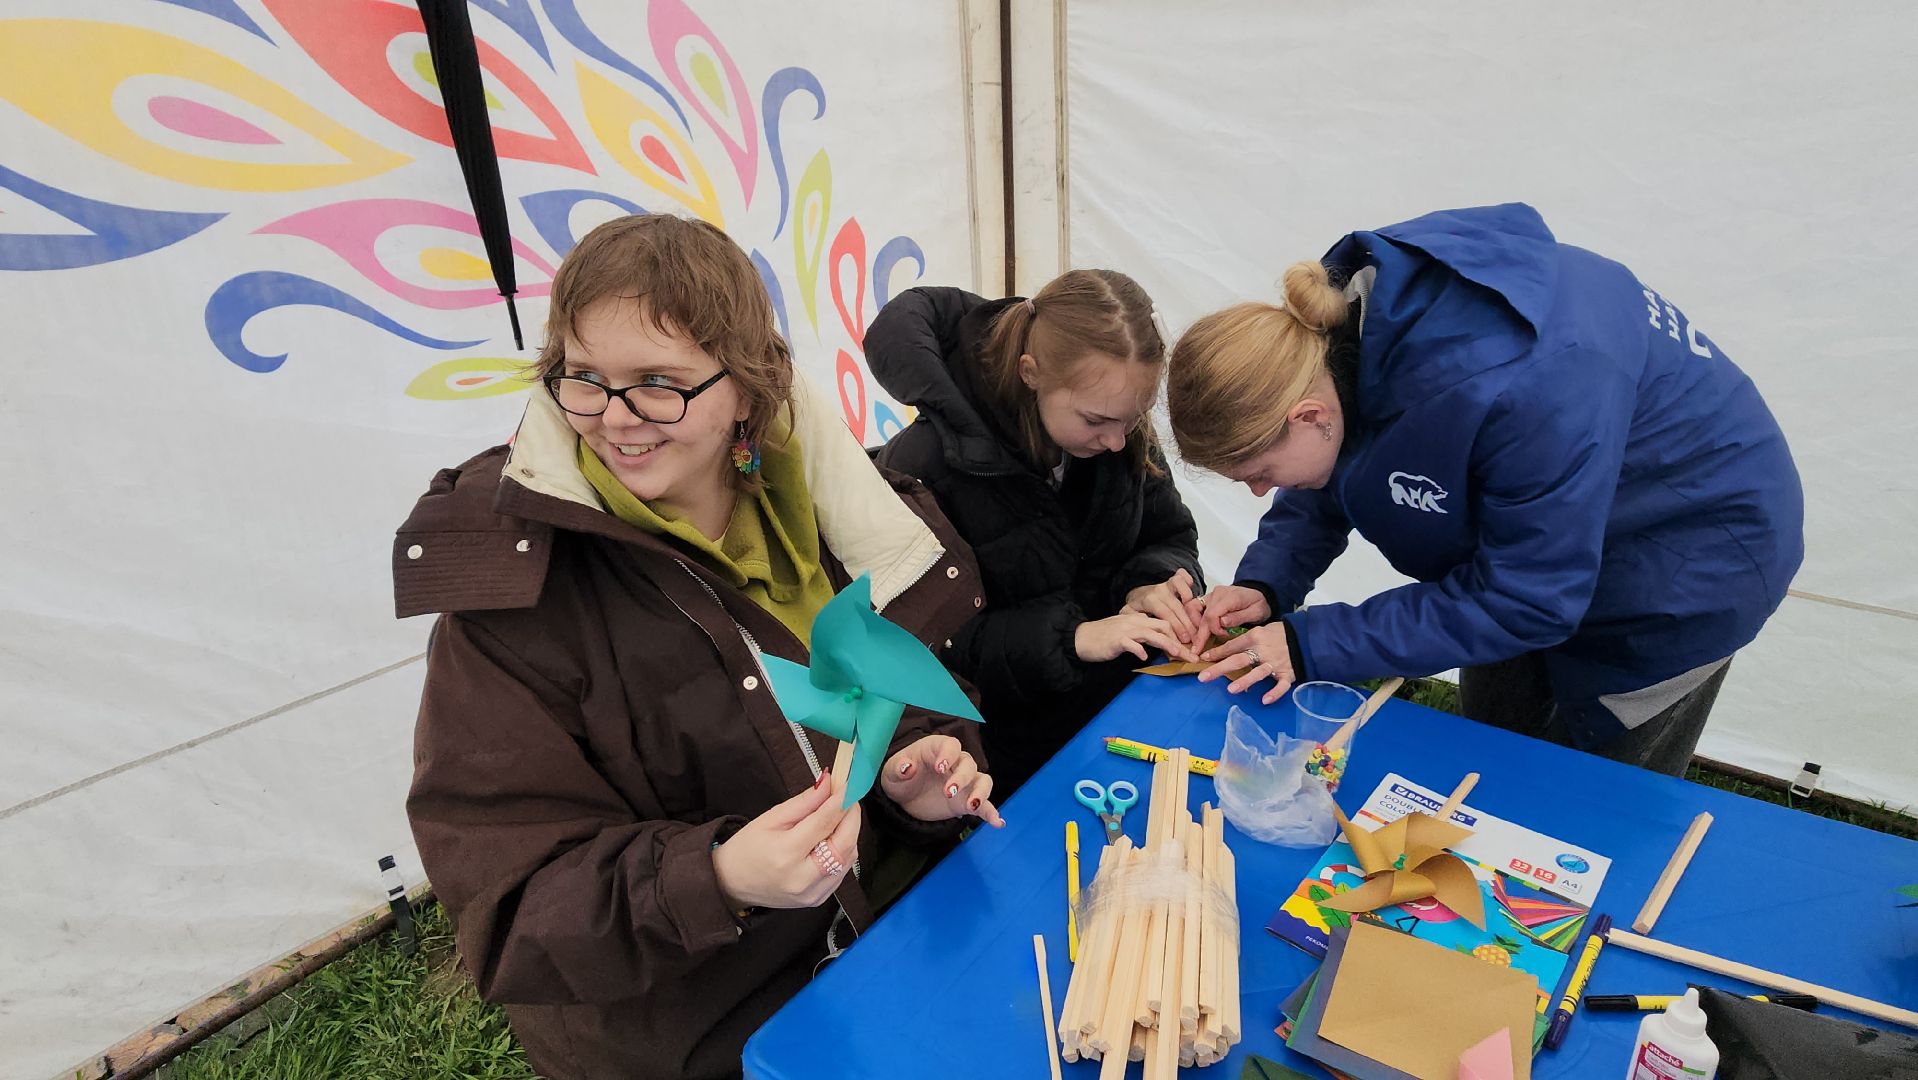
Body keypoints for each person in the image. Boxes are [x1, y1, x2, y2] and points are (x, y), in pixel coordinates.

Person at [394, 214, 1002, 1080]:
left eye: (657, 381)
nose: (615, 417)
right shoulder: (512, 605)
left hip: (894, 951)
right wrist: (716, 879)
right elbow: (513, 905)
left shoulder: (827, 512)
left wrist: (919, 763)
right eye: (583, 378)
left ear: (748, 388)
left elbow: (894, 690)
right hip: (706, 1034)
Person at [1166, 203, 1803, 775]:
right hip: (1532, 540)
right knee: (1493, 747)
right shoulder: (1336, 344)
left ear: (1307, 415)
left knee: (1593, 801)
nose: (1257, 494)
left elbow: (1528, 599)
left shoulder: (1519, 385)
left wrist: (1314, 641)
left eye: (1259, 475)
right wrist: (1267, 582)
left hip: (1692, 558)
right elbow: (1333, 466)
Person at [867, 271, 1207, 794]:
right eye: (1097, 420)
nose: (1117, 442)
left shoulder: (1116, 428)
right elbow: (924, 646)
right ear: (1031, 373)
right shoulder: (924, 466)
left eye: (1133, 420)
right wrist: (1071, 639)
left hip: (1122, 708)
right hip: (1003, 755)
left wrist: (1152, 581)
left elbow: (1168, 533)